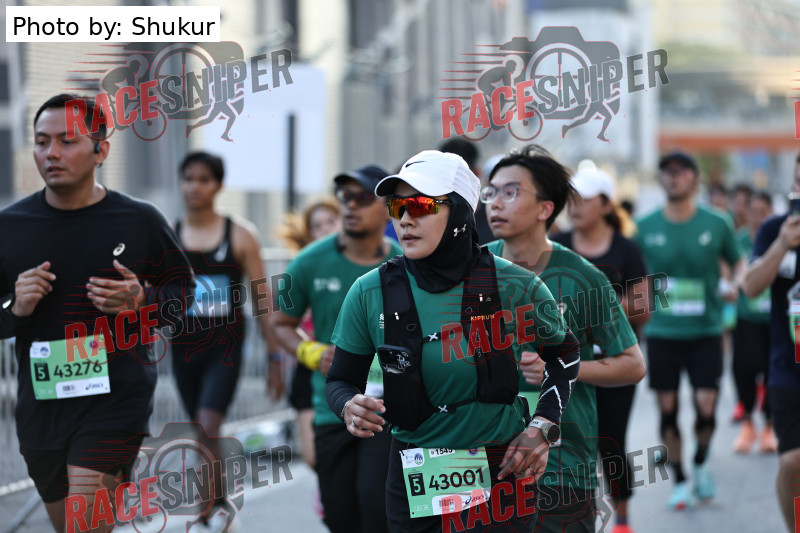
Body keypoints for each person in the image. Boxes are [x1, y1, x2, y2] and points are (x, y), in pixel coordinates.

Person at [326, 150, 582, 533]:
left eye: (421, 205)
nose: (405, 218)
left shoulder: (515, 285)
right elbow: (340, 380)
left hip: (501, 470)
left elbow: (564, 354)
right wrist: (348, 406)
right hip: (414, 474)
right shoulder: (369, 290)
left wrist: (543, 427)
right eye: (397, 206)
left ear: (461, 212)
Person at [0, 94, 193, 533]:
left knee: (84, 527)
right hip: (43, 406)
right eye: (42, 142)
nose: (51, 153)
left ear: (101, 150)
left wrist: (143, 299)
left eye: (67, 141)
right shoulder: (10, 226)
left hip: (116, 399)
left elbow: (183, 294)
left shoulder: (139, 220)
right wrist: (16, 306)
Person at [484, 146, 645, 533]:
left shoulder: (584, 277)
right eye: (491, 192)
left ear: (545, 208)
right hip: (481, 466)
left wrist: (563, 368)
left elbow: (632, 364)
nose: (495, 203)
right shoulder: (472, 271)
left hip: (561, 470)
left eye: (510, 192)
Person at [270, 165, 403, 533]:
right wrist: (313, 353)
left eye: (362, 197)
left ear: (388, 208)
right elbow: (280, 323)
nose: (351, 205)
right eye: (345, 197)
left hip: (387, 409)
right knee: (339, 516)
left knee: (376, 508)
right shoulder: (309, 261)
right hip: (332, 407)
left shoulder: (404, 264)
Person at [170, 151, 277, 525]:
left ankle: (206, 513)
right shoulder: (170, 235)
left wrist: (275, 358)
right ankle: (220, 503)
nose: (194, 187)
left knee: (208, 426)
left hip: (224, 348)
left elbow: (263, 300)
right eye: (188, 179)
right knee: (202, 432)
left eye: (203, 179)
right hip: (183, 348)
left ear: (218, 185)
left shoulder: (241, 234)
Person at [635, 151, 744, 510]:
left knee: (706, 408)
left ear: (695, 178)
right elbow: (633, 275)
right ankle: (680, 479)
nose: (673, 177)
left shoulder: (717, 223)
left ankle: (699, 461)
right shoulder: (645, 225)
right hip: (663, 333)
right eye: (666, 171)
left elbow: (738, 261)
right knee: (667, 411)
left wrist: (736, 283)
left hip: (706, 330)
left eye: (680, 171)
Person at [551, 159, 650, 533]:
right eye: (571, 199)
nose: (574, 207)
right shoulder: (556, 246)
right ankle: (570, 515)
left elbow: (644, 308)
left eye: (585, 199)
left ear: (607, 204)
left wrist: (597, 305)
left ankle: (621, 517)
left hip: (612, 365)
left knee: (611, 442)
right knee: (565, 443)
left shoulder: (626, 249)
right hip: (560, 365)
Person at [741, 155, 800, 532]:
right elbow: (749, 287)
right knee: (792, 462)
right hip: (787, 365)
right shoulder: (775, 229)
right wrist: (781, 245)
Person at [277, 198, 342, 472]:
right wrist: (309, 350)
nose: (325, 229)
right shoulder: (303, 269)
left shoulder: (363, 266)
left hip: (355, 368)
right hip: (312, 366)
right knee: (314, 455)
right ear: (309, 234)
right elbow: (281, 322)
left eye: (331, 221)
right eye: (317, 226)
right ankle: (327, 489)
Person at [732, 190, 777, 454]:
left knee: (774, 371)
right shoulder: (737, 241)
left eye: (764, 212)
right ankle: (748, 424)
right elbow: (729, 271)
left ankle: (770, 426)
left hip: (775, 319)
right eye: (754, 212)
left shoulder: (781, 239)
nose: (759, 218)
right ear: (745, 213)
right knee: (744, 370)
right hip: (746, 318)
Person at [439, 138, 494, 244]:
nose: (453, 184)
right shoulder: (433, 221)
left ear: (476, 174)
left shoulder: (495, 218)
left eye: (459, 176)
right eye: (447, 176)